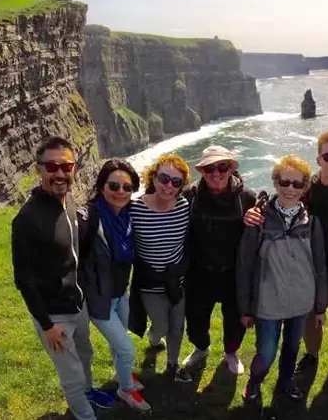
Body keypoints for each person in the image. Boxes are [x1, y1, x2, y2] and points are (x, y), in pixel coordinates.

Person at [11, 136, 115, 420]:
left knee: (85, 355)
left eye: (66, 166)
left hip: (77, 304)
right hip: (54, 315)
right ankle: (84, 415)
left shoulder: (68, 201)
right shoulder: (27, 219)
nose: (59, 173)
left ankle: (89, 392)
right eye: (52, 166)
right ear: (39, 169)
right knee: (70, 374)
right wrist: (47, 326)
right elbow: (23, 279)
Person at [245, 130, 328, 388]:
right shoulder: (307, 189)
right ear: (319, 159)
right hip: (306, 271)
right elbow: (281, 199)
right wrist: (255, 209)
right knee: (311, 322)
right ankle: (311, 356)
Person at [237, 155, 328, 401]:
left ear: (305, 187)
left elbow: (320, 265)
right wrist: (245, 308)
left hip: (301, 301)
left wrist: (320, 306)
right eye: (285, 182)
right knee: (266, 352)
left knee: (292, 348)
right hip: (268, 303)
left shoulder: (311, 222)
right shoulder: (259, 220)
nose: (290, 189)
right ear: (275, 183)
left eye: (297, 184)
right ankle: (255, 382)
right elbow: (245, 266)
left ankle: (285, 383)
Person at [77, 158, 150, 411]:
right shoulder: (89, 218)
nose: (120, 192)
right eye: (114, 185)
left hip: (121, 294)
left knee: (120, 343)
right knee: (127, 348)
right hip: (99, 300)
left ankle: (123, 375)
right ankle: (126, 390)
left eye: (127, 187)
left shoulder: (128, 215)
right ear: (101, 186)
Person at [181, 146, 257, 375]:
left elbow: (260, 235)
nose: (216, 173)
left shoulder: (247, 198)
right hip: (199, 272)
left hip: (233, 273)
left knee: (234, 320)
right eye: (209, 168)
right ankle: (201, 348)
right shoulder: (190, 196)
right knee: (195, 318)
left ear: (231, 168)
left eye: (222, 166)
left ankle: (231, 353)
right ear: (202, 171)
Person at [128, 154, 193, 383]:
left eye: (176, 182)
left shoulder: (184, 207)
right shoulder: (135, 209)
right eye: (164, 178)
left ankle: (173, 366)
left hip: (176, 280)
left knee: (177, 326)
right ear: (153, 177)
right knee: (162, 326)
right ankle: (154, 340)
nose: (168, 186)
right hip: (149, 281)